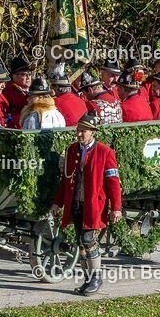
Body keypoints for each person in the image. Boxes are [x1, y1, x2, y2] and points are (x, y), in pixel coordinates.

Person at [51, 113, 123, 296]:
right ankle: (87, 279)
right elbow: (65, 181)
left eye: (83, 131)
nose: (79, 134)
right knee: (80, 243)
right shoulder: (72, 150)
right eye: (78, 130)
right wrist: (58, 203)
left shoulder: (105, 152)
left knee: (89, 240)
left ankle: (96, 277)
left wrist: (116, 207)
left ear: (93, 132)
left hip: (94, 205)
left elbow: (113, 181)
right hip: (75, 202)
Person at [2, 56, 33, 129]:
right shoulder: (9, 92)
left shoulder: (32, 90)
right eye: (24, 74)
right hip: (17, 128)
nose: (28, 77)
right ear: (14, 76)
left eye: (29, 74)